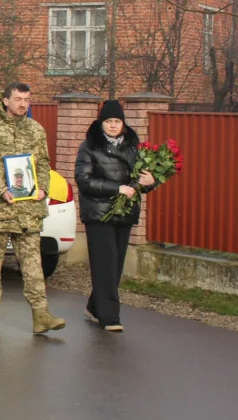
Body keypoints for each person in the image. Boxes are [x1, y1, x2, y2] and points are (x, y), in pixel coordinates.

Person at [0, 83, 65, 334]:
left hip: (28, 211)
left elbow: (43, 162)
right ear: (5, 101)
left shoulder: (35, 129)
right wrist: (1, 188)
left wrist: (43, 188)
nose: (23, 104)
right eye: (18, 99)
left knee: (33, 265)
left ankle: (41, 314)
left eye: (27, 99)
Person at [75, 100, 156, 332]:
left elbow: (141, 180)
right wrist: (116, 188)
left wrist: (152, 182)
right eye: (108, 121)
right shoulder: (89, 146)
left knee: (116, 264)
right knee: (104, 264)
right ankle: (110, 317)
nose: (113, 125)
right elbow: (83, 180)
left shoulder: (133, 147)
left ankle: (94, 306)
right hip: (98, 212)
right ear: (101, 123)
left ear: (123, 123)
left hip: (125, 211)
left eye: (117, 121)